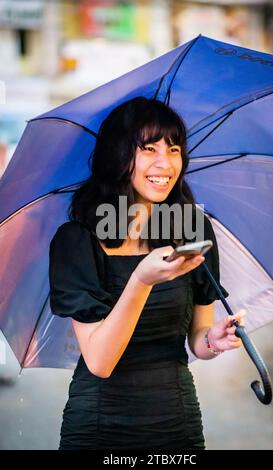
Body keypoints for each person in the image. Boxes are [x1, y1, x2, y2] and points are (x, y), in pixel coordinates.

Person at [49, 96, 246, 451]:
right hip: (99, 424)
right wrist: (141, 280)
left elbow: (197, 339)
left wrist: (211, 340)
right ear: (119, 156)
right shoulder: (78, 240)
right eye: (149, 148)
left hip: (177, 420)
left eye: (173, 149)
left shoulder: (192, 229)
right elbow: (100, 362)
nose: (165, 163)